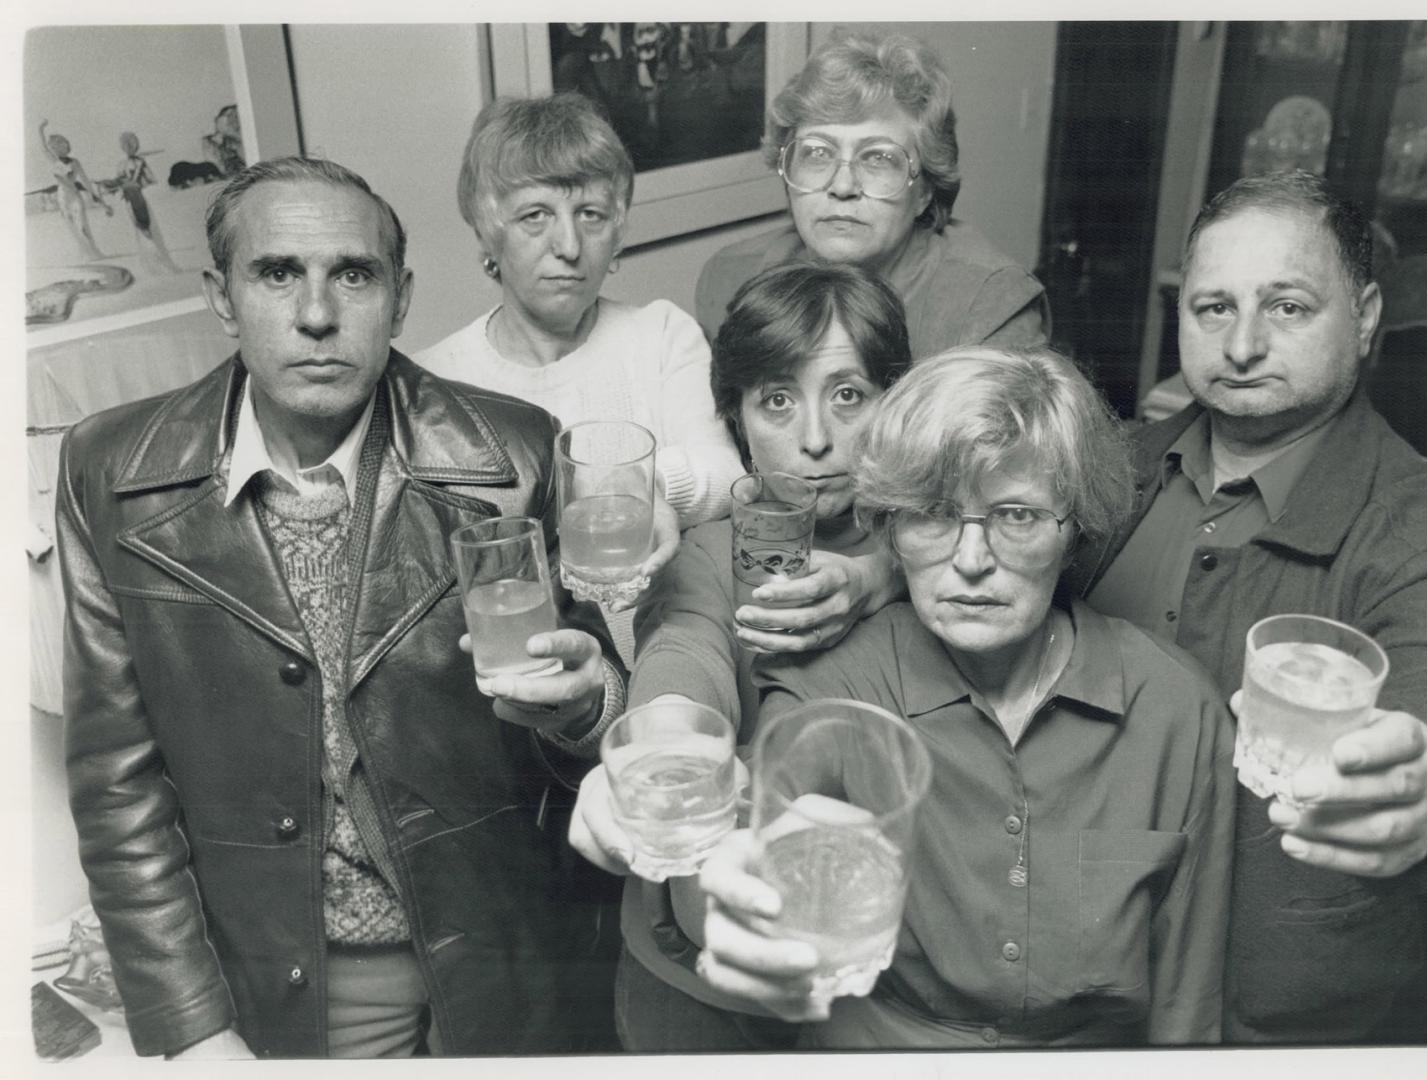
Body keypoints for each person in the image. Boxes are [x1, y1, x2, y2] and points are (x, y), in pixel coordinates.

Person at [55, 156, 635, 1058]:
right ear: (222, 296)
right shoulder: (111, 472)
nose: (317, 315)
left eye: (352, 275)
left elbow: (595, 721)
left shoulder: (515, 453)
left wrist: (588, 704)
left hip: (513, 958)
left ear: (400, 298)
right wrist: (193, 1029)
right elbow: (116, 784)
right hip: (297, 978)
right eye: (277, 273)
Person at [1066, 171, 1427, 1042]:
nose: (1244, 343)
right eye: (1213, 308)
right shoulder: (1113, 466)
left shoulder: (1420, 524)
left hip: (1251, 1016)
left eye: (1289, 307)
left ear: (1366, 315)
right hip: (1069, 974)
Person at [693, 346, 1235, 1048]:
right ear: (890, 531)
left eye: (1017, 517)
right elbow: (752, 879)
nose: (972, 561)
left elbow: (1187, 1010)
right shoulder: (829, 692)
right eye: (933, 515)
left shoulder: (1176, 711)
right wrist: (727, 896)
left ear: (1074, 533)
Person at [568, 261, 913, 1051]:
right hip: (696, 987)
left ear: (895, 401)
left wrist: (884, 572)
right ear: (736, 416)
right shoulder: (703, 554)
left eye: (849, 395)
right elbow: (682, 657)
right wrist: (656, 751)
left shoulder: (937, 557)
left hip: (869, 988)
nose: (816, 439)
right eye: (778, 400)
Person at [417, 92, 742, 535]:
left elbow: (724, 474)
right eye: (536, 216)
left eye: (591, 215)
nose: (569, 247)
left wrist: (639, 484)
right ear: (490, 234)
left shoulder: (663, 334)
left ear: (617, 232)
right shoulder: (433, 380)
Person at [694, 30, 1049, 360]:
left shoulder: (987, 306)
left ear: (925, 190)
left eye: (879, 158)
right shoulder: (730, 279)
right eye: (817, 153)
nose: (843, 187)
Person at [38, 119, 114, 260]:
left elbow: (86, 183)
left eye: (63, 144)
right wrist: (40, 129)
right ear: (54, 149)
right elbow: (43, 147)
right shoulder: (54, 162)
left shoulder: (75, 162)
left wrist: (102, 203)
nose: (61, 147)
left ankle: (94, 253)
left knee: (82, 224)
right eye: (57, 146)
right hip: (62, 197)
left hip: (75, 196)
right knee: (72, 227)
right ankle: (84, 254)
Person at [113, 131, 182, 274]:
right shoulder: (121, 164)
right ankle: (152, 265)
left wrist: (139, 178)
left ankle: (162, 264)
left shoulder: (139, 162)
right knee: (141, 230)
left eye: (132, 144)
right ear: (122, 147)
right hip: (129, 199)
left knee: (150, 229)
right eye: (126, 144)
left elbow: (151, 179)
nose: (129, 147)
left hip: (140, 197)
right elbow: (119, 182)